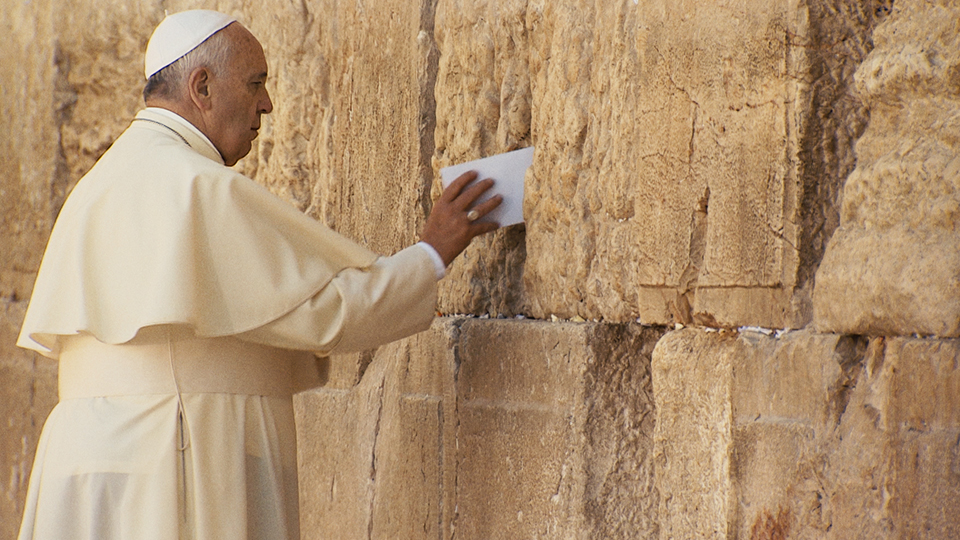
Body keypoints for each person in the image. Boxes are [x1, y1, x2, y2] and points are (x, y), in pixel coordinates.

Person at [15, 10, 501, 540]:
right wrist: (432, 252)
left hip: (86, 468)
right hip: (178, 454)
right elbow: (327, 311)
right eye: (255, 84)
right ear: (201, 86)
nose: (266, 103)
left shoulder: (95, 185)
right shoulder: (197, 187)